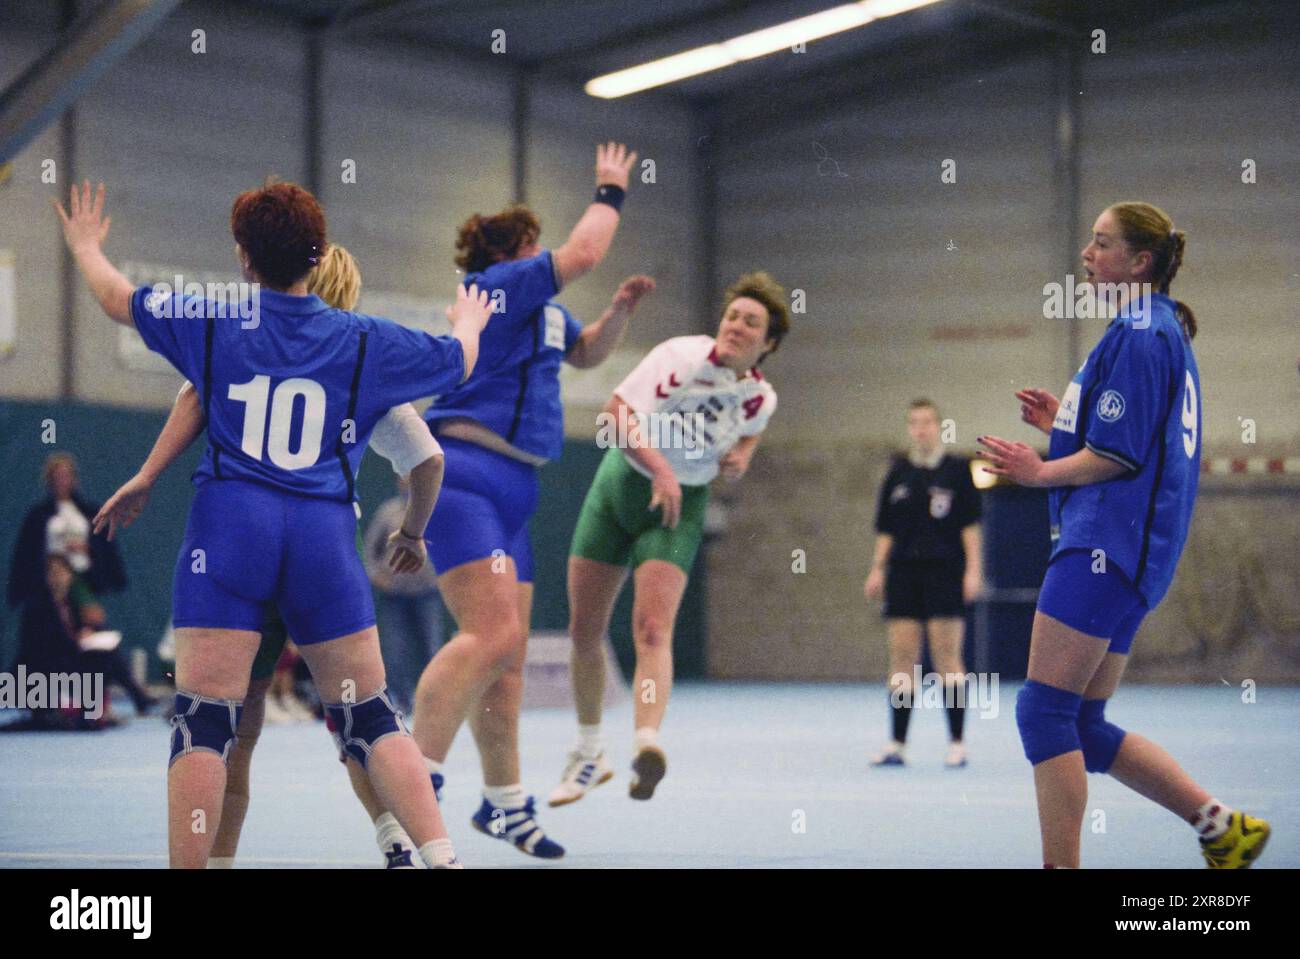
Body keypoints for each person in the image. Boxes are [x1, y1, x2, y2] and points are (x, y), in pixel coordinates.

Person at [55, 177, 490, 868]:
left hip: (233, 529)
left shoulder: (214, 319)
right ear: (318, 258)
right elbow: (458, 361)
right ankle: (440, 856)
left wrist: (84, 244)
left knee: (207, 721)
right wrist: (470, 316)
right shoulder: (362, 340)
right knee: (371, 715)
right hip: (321, 535)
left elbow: (115, 299)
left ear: (242, 258)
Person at [978, 201, 1269, 869]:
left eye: (1102, 243)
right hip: (1134, 555)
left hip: (1103, 547)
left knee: (1042, 712)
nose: (1086, 253)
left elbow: (1120, 456)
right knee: (1081, 722)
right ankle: (1222, 828)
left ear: (1139, 263)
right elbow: (1125, 436)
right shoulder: (1153, 330)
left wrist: (1038, 468)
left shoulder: (1141, 333)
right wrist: (1062, 419)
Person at [409, 142, 650, 859]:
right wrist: (610, 191)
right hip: (467, 473)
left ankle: (505, 803)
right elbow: (581, 250)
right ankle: (411, 777)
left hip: (517, 488)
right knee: (488, 637)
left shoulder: (544, 316)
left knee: (507, 658)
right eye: (534, 244)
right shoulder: (502, 284)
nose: (545, 253)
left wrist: (620, 313)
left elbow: (587, 354)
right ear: (514, 251)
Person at [552, 271, 785, 806]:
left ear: (767, 344)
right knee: (584, 631)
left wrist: (738, 460)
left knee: (653, 629)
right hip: (619, 489)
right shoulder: (680, 356)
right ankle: (589, 754)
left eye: (752, 322)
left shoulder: (759, 398)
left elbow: (752, 432)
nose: (737, 325)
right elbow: (614, 414)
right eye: (732, 315)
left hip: (678, 508)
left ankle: (646, 743)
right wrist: (659, 468)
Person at [864, 399, 982, 768]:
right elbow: (885, 529)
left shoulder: (958, 470)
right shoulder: (898, 472)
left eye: (927, 422)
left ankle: (957, 743)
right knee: (902, 659)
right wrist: (877, 568)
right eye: (914, 422)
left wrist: (973, 571)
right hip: (903, 573)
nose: (921, 429)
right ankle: (897, 743)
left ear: (939, 426)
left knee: (947, 657)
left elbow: (971, 527)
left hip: (944, 571)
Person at [11, 553, 153, 729]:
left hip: (68, 661)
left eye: (62, 572)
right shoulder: (36, 606)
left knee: (107, 654)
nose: (58, 577)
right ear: (45, 577)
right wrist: (76, 641)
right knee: (101, 657)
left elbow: (82, 632)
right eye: (52, 573)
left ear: (70, 575)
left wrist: (91, 631)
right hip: (41, 670)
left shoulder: (73, 603)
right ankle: (137, 699)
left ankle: (105, 708)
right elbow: (37, 648)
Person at [363, 473, 446, 716]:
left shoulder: (436, 513)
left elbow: (450, 546)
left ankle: (435, 702)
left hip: (427, 592)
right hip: (394, 594)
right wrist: (376, 576)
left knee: (432, 649)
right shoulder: (387, 512)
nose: (409, 483)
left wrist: (444, 577)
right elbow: (369, 549)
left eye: (414, 478)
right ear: (398, 481)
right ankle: (400, 701)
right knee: (395, 650)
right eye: (405, 478)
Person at [8, 453, 127, 611]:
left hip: (84, 579)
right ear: (49, 480)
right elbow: (26, 553)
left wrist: (87, 549)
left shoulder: (88, 512)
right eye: (57, 477)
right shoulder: (38, 516)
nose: (61, 481)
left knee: (88, 621)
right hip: (49, 585)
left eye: (66, 476)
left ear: (74, 479)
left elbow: (104, 547)